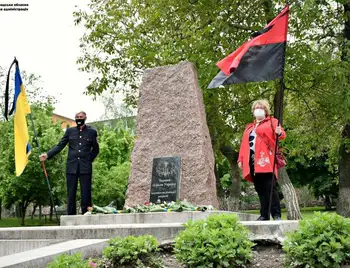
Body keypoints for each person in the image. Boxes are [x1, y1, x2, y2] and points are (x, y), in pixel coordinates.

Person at [39, 111, 99, 215]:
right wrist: (48, 155)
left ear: (85, 118)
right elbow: (60, 145)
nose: (79, 118)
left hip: (85, 167)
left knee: (86, 192)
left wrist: (89, 160)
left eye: (81, 117)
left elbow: (96, 149)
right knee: (71, 192)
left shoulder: (92, 132)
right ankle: (71, 215)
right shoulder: (70, 131)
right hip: (72, 166)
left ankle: (86, 214)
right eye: (77, 117)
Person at [237, 99, 286, 221]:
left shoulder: (272, 122)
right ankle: (264, 214)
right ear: (253, 111)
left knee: (270, 188)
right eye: (256, 108)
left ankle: (276, 214)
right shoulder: (249, 127)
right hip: (252, 162)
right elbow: (244, 145)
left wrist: (279, 133)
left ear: (266, 110)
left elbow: (282, 135)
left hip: (266, 160)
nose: (258, 109)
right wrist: (240, 159)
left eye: (261, 107)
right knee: (260, 189)